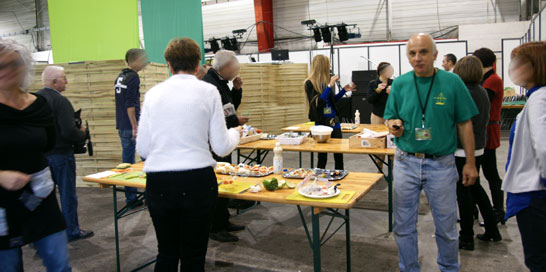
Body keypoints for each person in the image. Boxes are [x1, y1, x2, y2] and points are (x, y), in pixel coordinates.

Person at [136, 37, 241, 271]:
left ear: (169, 65)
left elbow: (142, 148)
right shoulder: (208, 92)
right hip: (197, 181)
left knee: (166, 253)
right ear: (198, 65)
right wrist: (236, 132)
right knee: (193, 256)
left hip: (159, 182)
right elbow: (222, 147)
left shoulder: (153, 94)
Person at [384, 33, 479, 272]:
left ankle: (449, 268)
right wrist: (392, 124)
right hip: (406, 162)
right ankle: (409, 268)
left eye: (424, 52)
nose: (418, 58)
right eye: (413, 53)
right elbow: (389, 116)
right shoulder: (401, 84)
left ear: (435, 55)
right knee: (404, 225)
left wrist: (470, 163)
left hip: (441, 164)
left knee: (446, 226)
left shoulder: (452, 82)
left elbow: (465, 123)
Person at [0, 39, 71, 271]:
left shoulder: (38, 105)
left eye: (12, 64)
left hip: (39, 195)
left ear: (24, 66)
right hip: (2, 201)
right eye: (0, 66)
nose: (6, 71)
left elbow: (48, 142)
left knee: (59, 265)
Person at [37, 66, 94, 242]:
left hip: (42, 156)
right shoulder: (61, 101)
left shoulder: (36, 99)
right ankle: (72, 230)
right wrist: (82, 133)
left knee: (45, 197)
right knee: (67, 194)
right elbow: (69, 131)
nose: (66, 81)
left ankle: (44, 234)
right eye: (63, 78)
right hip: (61, 154)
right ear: (54, 82)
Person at [502, 41, 546, 272]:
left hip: (535, 193)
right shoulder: (535, 97)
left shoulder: (539, 99)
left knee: (538, 259)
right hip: (533, 191)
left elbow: (544, 148)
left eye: (520, 64)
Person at [452, 56, 501, 251]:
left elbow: (462, 124)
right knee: (476, 189)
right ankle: (492, 229)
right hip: (478, 146)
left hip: (464, 150)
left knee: (464, 194)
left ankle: (466, 237)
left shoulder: (465, 93)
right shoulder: (480, 90)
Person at [202, 50, 248, 243]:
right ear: (226, 67)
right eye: (235, 70)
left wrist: (237, 89)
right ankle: (215, 227)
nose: (236, 73)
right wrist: (233, 120)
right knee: (216, 184)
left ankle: (224, 220)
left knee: (223, 181)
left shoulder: (220, 83)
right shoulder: (210, 84)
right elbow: (218, 115)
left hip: (223, 138)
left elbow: (230, 108)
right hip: (214, 144)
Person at [473, 47, 505, 224]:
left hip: (488, 131)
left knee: (490, 173)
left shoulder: (492, 80)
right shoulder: (486, 79)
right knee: (479, 173)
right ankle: (477, 209)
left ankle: (498, 210)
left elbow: (480, 103)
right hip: (482, 130)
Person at [304, 55, 354, 170]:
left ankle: (339, 175)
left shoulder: (326, 82)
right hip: (321, 124)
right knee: (322, 156)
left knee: (338, 154)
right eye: (328, 64)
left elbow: (333, 101)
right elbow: (319, 103)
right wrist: (329, 86)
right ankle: (320, 178)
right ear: (322, 66)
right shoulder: (309, 84)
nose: (330, 66)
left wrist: (343, 91)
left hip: (334, 122)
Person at [114, 48, 148, 205]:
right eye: (143, 59)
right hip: (131, 125)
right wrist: (135, 127)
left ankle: (131, 197)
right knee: (148, 159)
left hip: (121, 124)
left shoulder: (121, 76)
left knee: (127, 161)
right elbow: (130, 105)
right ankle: (150, 193)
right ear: (135, 60)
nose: (145, 62)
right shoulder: (133, 77)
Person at [367, 62, 394, 171]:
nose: (391, 72)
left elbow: (400, 98)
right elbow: (369, 99)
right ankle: (379, 168)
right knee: (378, 142)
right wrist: (378, 91)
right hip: (377, 116)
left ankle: (392, 169)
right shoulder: (373, 84)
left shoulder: (394, 83)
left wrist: (392, 92)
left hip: (391, 116)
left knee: (392, 143)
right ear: (382, 71)